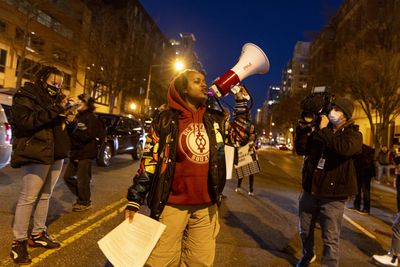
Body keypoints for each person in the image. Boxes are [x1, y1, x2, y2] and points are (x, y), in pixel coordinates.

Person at [125, 69, 250, 266]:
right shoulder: (164, 120)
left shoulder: (215, 119)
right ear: (183, 89)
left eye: (204, 81)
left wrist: (242, 104)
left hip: (206, 207)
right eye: (196, 81)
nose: (204, 84)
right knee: (161, 261)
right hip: (171, 205)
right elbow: (150, 161)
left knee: (199, 261)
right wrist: (135, 199)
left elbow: (239, 138)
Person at [9, 66, 71, 264]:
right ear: (42, 79)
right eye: (54, 83)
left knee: (46, 195)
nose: (57, 87)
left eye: (60, 84)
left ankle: (37, 234)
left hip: (55, 153)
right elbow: (25, 122)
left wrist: (68, 118)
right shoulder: (26, 95)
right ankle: (18, 242)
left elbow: (55, 124)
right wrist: (56, 109)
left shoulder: (55, 100)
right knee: (28, 197)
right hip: (36, 151)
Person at [294, 97, 362, 267]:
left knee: (330, 238)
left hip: (333, 196)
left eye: (338, 109)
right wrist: (303, 129)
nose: (333, 112)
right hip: (310, 190)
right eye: (333, 108)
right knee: (304, 230)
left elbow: (343, 149)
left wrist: (324, 130)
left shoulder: (354, 135)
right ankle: (307, 255)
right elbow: (302, 149)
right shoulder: (321, 131)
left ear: (345, 116)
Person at [63, 94, 105, 212]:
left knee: (83, 179)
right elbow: (72, 133)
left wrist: (74, 124)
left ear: (87, 104)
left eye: (80, 101)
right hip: (76, 152)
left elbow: (87, 136)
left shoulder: (91, 118)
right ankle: (83, 196)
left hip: (86, 153)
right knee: (67, 177)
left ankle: (84, 201)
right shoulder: (78, 116)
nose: (78, 102)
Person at [351, 143, 376, 214]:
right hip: (365, 173)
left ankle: (359, 206)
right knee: (363, 190)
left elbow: (356, 162)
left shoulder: (358, 149)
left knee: (360, 190)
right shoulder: (368, 150)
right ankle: (364, 208)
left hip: (362, 172)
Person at [235, 122, 257, 196]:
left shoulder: (255, 136)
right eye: (251, 128)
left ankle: (251, 190)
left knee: (251, 173)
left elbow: (255, 146)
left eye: (253, 128)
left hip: (250, 156)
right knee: (242, 172)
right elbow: (241, 143)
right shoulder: (244, 135)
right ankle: (238, 186)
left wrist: (255, 146)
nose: (252, 129)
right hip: (244, 155)